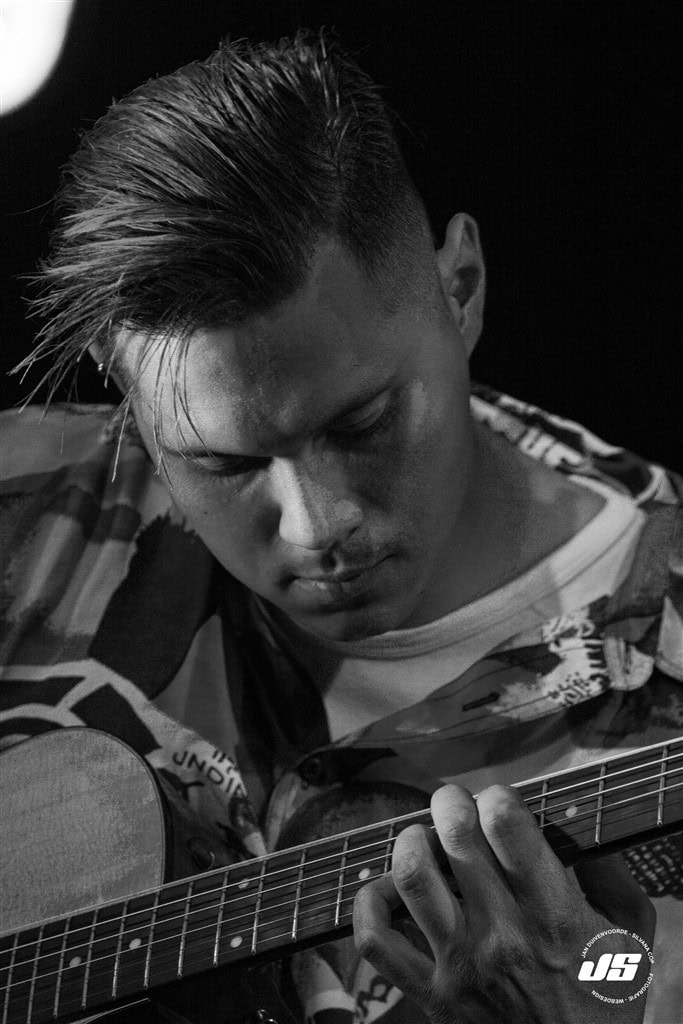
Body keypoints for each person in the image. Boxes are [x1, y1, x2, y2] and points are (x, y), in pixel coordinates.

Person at [1, 31, 681, 1024]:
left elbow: (628, 977)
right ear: (124, 386)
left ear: (460, 291)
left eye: (359, 424)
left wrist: (590, 1002)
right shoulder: (23, 503)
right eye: (225, 464)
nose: (317, 524)